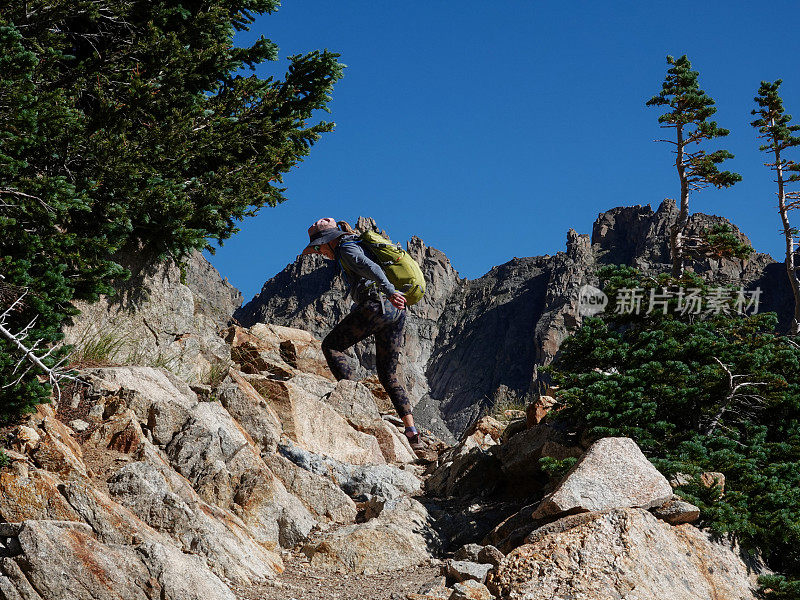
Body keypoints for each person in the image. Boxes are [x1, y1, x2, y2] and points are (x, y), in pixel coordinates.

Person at [301, 217, 424, 451]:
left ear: (328, 241)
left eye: (318, 247)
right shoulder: (355, 243)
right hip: (397, 313)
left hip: (379, 304)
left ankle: (354, 400)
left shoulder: (346, 248)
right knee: (388, 374)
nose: (318, 253)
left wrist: (388, 291)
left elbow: (371, 268)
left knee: (331, 346)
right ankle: (412, 434)